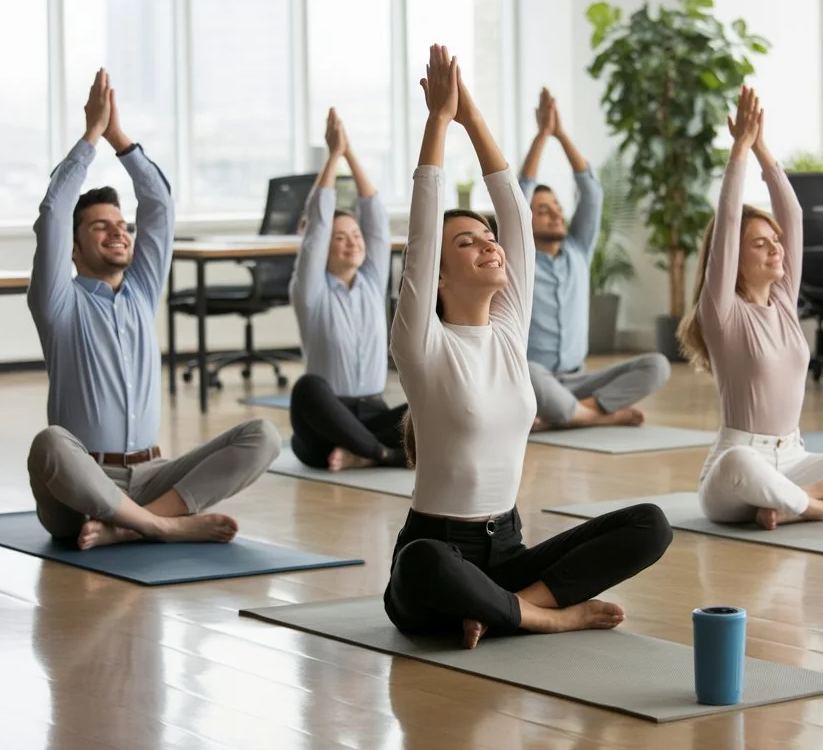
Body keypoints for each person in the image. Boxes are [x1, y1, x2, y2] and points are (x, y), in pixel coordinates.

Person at [384, 45, 672, 648]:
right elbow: (420, 230)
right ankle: (547, 617)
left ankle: (512, 608)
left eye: (488, 237)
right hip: (438, 553)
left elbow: (514, 212)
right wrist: (438, 122)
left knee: (650, 525)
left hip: (506, 550)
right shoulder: (421, 343)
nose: (489, 245)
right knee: (422, 566)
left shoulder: (510, 329)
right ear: (436, 274)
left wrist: (472, 116)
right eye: (466, 243)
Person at [25, 68, 281, 551]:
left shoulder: (142, 290)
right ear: (74, 249)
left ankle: (131, 525)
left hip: (151, 475)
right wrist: (91, 137)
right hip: (82, 485)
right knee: (50, 444)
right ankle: (160, 527)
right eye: (100, 227)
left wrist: (121, 139)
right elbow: (53, 214)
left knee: (263, 435)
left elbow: (159, 205)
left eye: (121, 225)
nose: (118, 232)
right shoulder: (59, 302)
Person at [677, 86, 823, 530]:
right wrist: (739, 151)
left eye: (776, 242)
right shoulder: (722, 313)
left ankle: (794, 504)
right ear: (733, 258)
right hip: (736, 468)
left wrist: (763, 146)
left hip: (794, 457)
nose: (776, 249)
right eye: (760, 244)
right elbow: (728, 221)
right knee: (741, 465)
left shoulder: (785, 301)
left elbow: (794, 214)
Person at [518, 87, 670, 430]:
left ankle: (571, 415)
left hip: (577, 380)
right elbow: (519, 191)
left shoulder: (577, 251)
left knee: (657, 364)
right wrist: (542, 136)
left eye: (557, 208)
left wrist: (560, 133)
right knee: (525, 370)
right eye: (542, 211)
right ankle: (600, 415)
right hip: (535, 381)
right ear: (524, 219)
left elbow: (591, 191)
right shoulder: (518, 259)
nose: (556, 215)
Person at [287, 107, 406, 472]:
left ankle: (362, 453)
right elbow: (316, 228)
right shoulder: (311, 292)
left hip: (372, 413)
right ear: (323, 248)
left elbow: (377, 221)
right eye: (340, 239)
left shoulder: (371, 280)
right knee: (307, 388)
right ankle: (383, 456)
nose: (352, 243)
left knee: (431, 403)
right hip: (324, 425)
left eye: (355, 236)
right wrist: (332, 157)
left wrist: (349, 152)